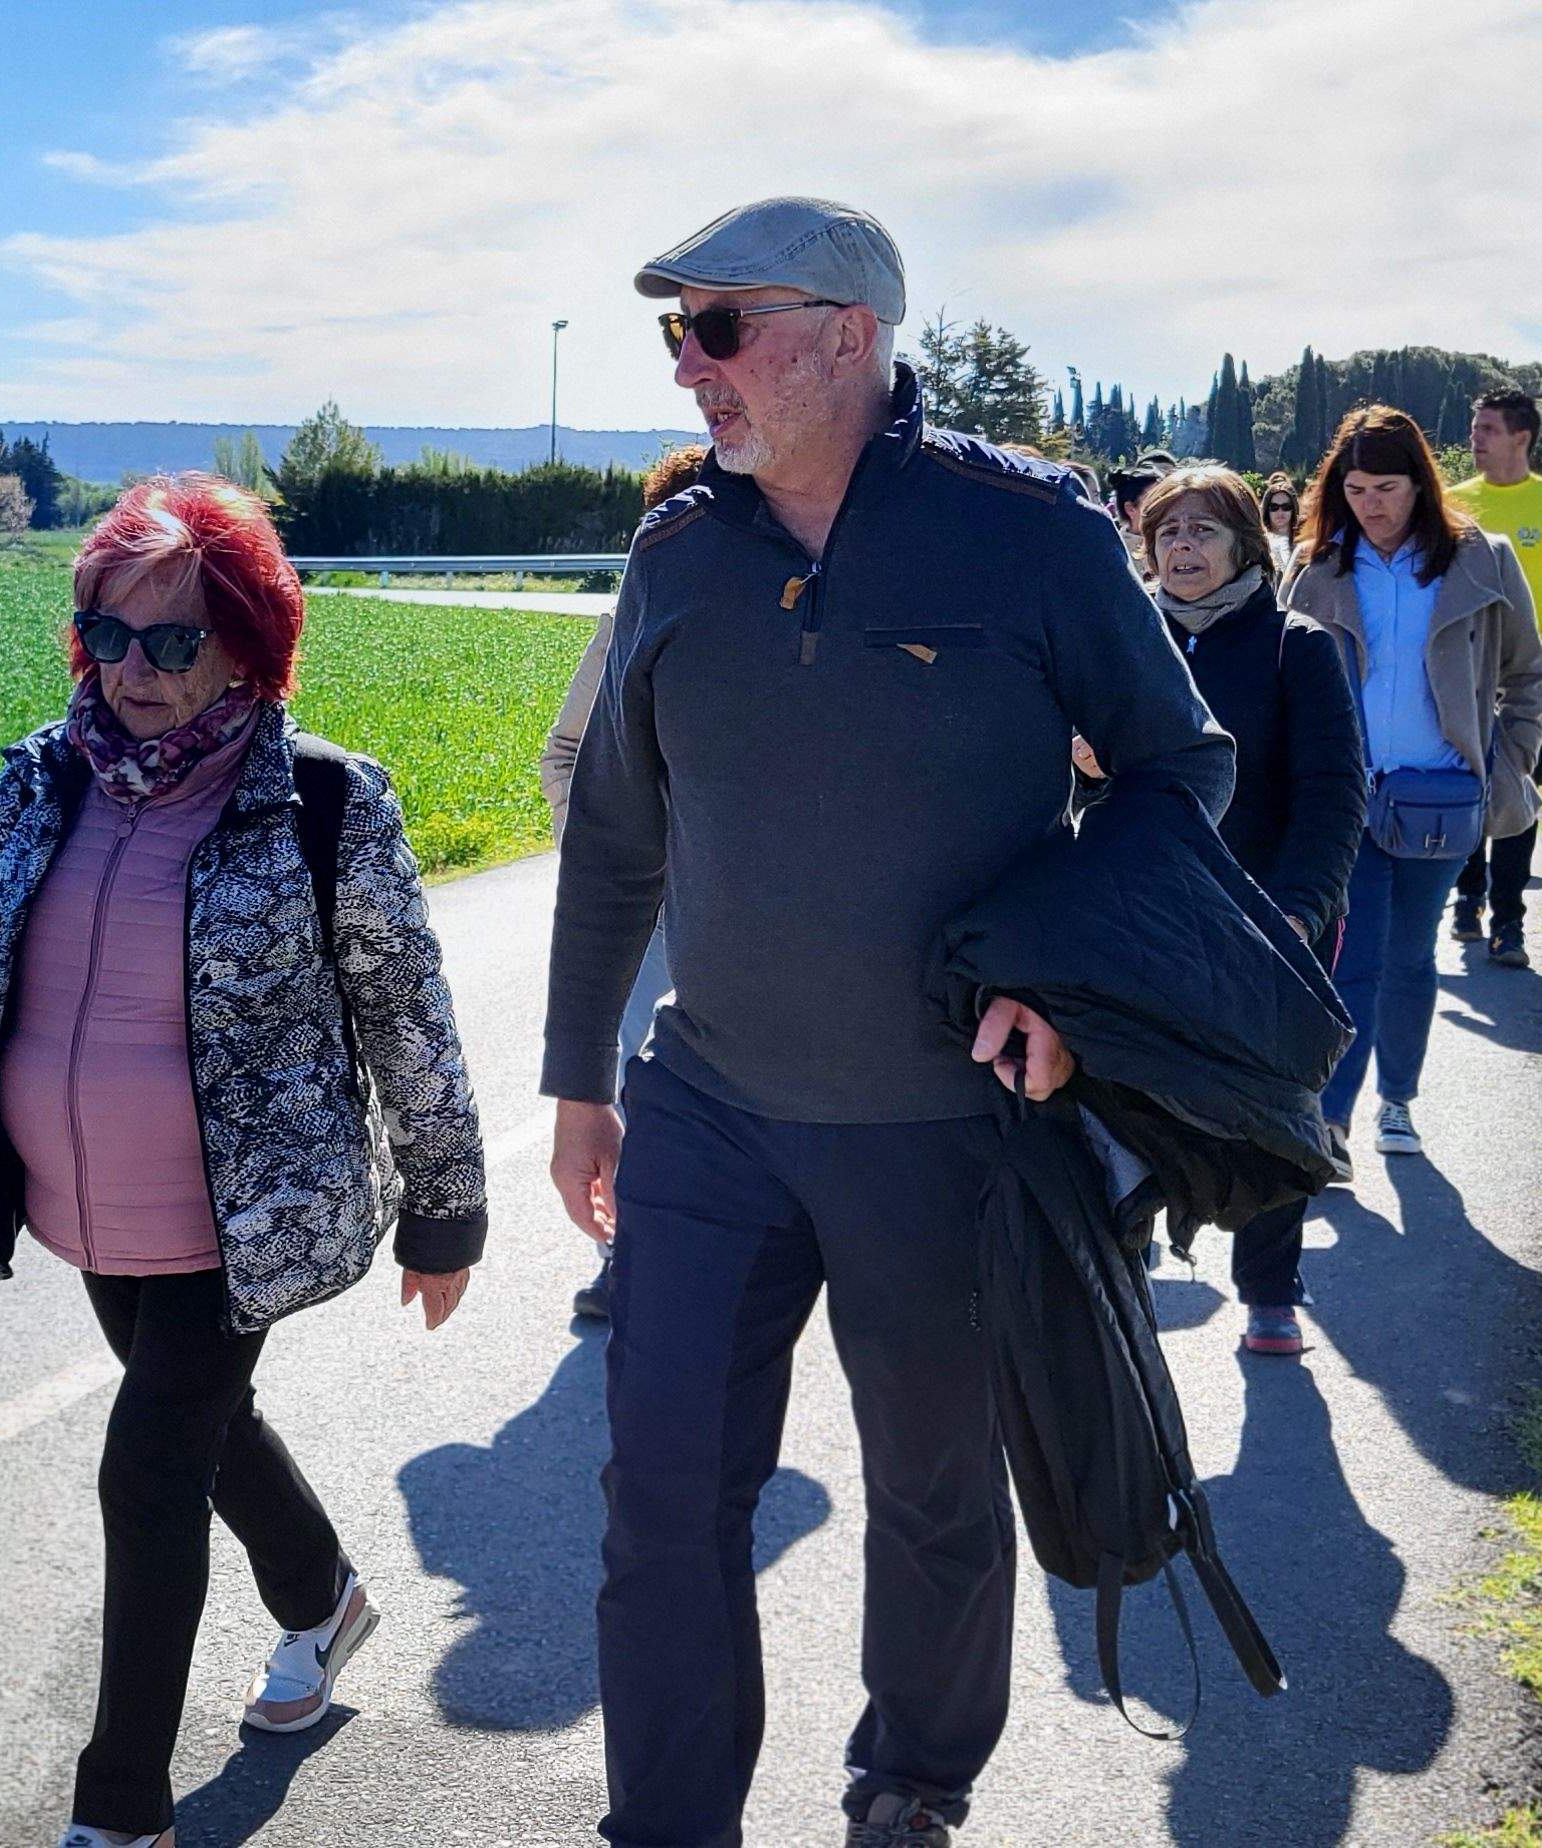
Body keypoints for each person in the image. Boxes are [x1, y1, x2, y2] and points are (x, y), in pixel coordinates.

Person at [549, 197, 1234, 1848]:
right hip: (710, 1111)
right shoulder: (677, 553)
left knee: (935, 1493)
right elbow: (619, 831)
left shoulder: (1032, 535)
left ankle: (915, 1781)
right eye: (676, 333)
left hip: (945, 1124)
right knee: (661, 1497)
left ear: (849, 335)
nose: (689, 366)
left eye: (721, 328)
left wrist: (1062, 980)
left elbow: (1179, 767)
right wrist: (578, 1081)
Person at [0, 475, 490, 1848]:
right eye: (108, 633)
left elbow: (406, 1009)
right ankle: (323, 1598)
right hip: (86, 1201)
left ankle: (121, 1810)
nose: (133, 669)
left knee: (149, 1465)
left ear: (243, 645)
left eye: (171, 639)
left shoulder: (322, 801)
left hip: (243, 1216)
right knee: (206, 1429)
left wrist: (446, 1206)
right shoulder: (39, 780)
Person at [1127, 464, 1364, 1355]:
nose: (1182, 547)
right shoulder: (1127, 639)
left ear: (1245, 546)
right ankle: (1125, 1272)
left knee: (1270, 1105)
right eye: (1167, 532)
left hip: (1270, 919)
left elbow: (1333, 793)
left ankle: (1269, 1292)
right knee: (1129, 1092)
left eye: (1202, 530)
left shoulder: (1296, 647)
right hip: (1147, 915)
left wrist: (1298, 912)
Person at [1280, 406, 1542, 1160]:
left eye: (1387, 488)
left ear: (1420, 485)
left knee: (1410, 957)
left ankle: (1397, 1104)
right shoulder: (1314, 567)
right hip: (1342, 797)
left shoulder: (1483, 559)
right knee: (1352, 956)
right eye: (1356, 489)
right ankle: (1331, 1121)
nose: (1372, 505)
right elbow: (1280, 680)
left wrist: (1508, 763)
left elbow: (1529, 675)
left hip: (1442, 800)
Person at [543, 445, 711, 1322]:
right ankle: (625, 1257)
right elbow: (565, 750)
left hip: (745, 909)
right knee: (623, 1072)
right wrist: (607, 850)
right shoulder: (630, 621)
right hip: (649, 903)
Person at [1443, 387, 1542, 968]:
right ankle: (1468, 896)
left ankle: (1509, 922)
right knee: (1462, 773)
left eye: (1487, 429)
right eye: (1474, 428)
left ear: (1521, 437)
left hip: (1534, 661)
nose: (1475, 439)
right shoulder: (1452, 504)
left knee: (1518, 782)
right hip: (1465, 656)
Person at [1259, 472, 1303, 577]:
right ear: (1267, 510)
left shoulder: (1303, 543)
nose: (1280, 512)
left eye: (1286, 507)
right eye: (1274, 507)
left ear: (1293, 510)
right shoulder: (1258, 543)